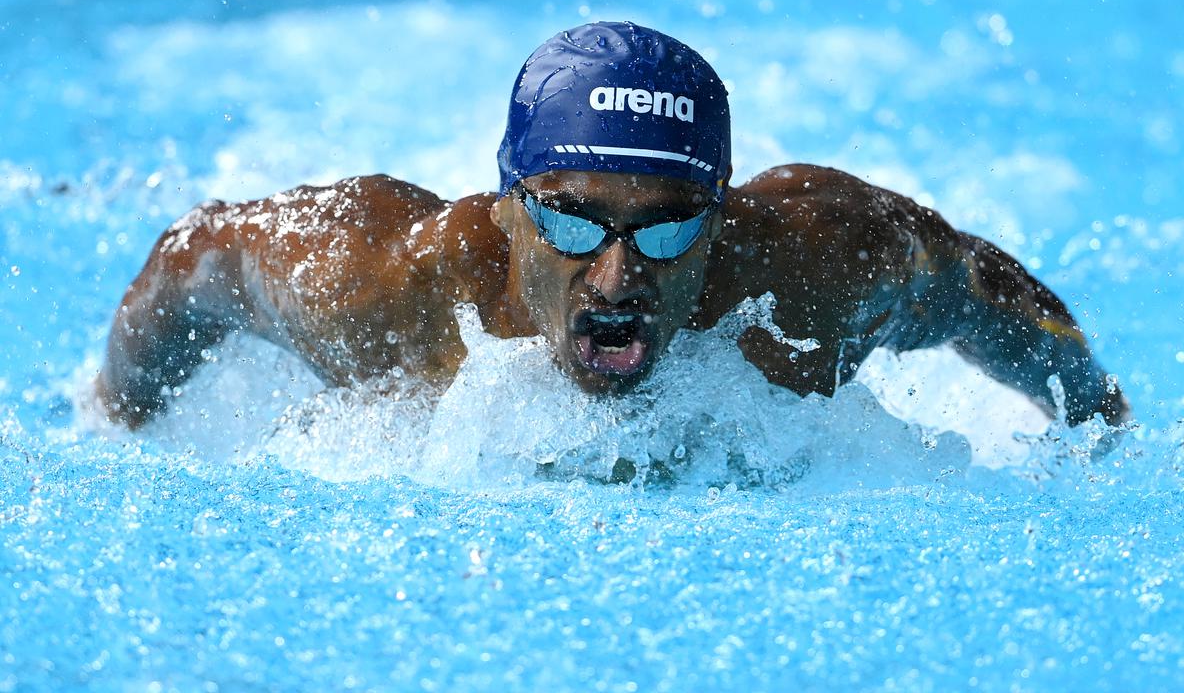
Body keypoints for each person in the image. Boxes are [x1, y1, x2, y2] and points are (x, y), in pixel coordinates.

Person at [95, 21, 1130, 435]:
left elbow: (976, 287)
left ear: (721, 216)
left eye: (669, 229)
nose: (619, 274)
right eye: (573, 222)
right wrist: (121, 416)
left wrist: (1103, 422)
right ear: (509, 207)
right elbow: (192, 257)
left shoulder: (813, 272)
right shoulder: (381, 288)